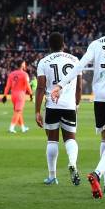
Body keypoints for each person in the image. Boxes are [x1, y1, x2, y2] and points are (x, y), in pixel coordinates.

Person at [51, 11, 105, 198]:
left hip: (99, 97)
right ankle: (97, 174)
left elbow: (79, 66)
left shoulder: (96, 43)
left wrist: (60, 85)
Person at [35, 32, 82, 186]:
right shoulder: (75, 60)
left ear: (49, 46)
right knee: (70, 138)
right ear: (64, 45)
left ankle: (52, 176)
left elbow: (41, 87)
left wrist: (37, 111)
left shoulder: (43, 62)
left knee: (52, 139)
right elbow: (79, 86)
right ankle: (72, 163)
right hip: (69, 105)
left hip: (52, 105)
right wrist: (77, 104)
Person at [3, 59, 33, 133]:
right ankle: (11, 128)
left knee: (19, 112)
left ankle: (23, 128)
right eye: (24, 64)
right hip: (20, 95)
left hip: (13, 95)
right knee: (18, 111)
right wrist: (31, 94)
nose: (25, 65)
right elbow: (27, 85)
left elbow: (7, 86)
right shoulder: (25, 74)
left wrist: (5, 95)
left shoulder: (11, 74)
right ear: (22, 65)